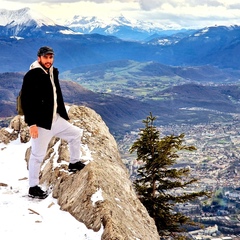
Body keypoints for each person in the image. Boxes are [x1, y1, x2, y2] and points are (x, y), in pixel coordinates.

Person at [21, 46, 85, 199]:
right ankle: (33, 187)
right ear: (39, 58)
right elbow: (26, 101)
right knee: (37, 155)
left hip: (55, 120)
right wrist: (32, 124)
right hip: (42, 125)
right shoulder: (32, 75)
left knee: (76, 134)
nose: (48, 60)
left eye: (51, 57)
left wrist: (61, 112)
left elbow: (56, 94)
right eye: (45, 58)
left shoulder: (52, 71)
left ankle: (74, 162)